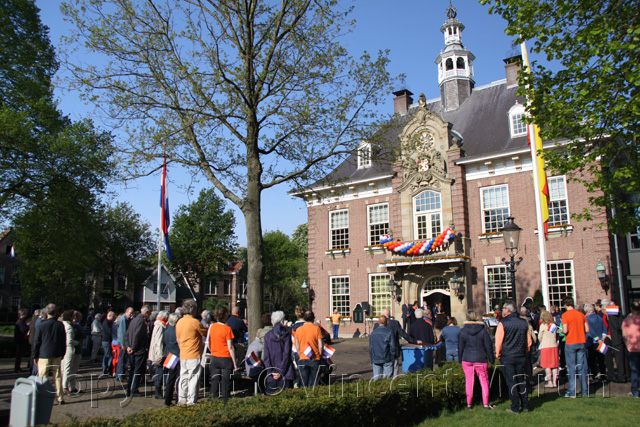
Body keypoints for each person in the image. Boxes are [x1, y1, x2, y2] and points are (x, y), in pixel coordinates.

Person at [495, 300, 532, 413]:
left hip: (508, 356)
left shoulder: (503, 323)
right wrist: (525, 351)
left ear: (508, 310)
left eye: (503, 308)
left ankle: (515, 407)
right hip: (520, 355)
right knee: (521, 380)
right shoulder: (523, 322)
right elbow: (529, 341)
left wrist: (498, 354)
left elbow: (499, 341)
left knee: (511, 382)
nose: (502, 310)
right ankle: (525, 405)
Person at [458, 310, 494, 410]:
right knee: (484, 381)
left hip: (467, 358)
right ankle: (486, 404)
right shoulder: (483, 330)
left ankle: (469, 404)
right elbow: (488, 346)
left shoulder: (463, 331)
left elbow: (460, 346)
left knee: (469, 381)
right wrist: (491, 358)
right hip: (480, 358)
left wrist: (460, 359)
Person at [33, 304, 67, 405]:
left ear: (46, 313)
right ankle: (60, 397)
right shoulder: (60, 325)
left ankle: (43, 397)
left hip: (44, 354)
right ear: (56, 312)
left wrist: (34, 355)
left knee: (43, 377)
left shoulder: (41, 325)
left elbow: (37, 341)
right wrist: (62, 353)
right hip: (56, 353)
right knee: (57, 376)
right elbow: (63, 340)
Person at [175, 299, 206, 405]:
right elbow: (205, 333)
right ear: (193, 310)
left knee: (183, 377)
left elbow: (178, 339)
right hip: (194, 354)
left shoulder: (179, 322)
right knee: (193, 378)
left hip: (183, 353)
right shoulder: (195, 322)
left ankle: (181, 399)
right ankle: (191, 400)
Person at [561, 296, 590, 398]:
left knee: (571, 368)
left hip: (570, 342)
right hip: (581, 341)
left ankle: (572, 391)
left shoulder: (565, 315)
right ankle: (584, 390)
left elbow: (565, 330)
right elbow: (587, 330)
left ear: (565, 304)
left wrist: (561, 331)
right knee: (581, 367)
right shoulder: (581, 315)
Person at [207, 306, 237, 403]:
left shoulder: (212, 327)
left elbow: (208, 343)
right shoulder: (227, 329)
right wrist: (234, 362)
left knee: (214, 380)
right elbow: (230, 347)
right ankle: (225, 399)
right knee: (225, 381)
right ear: (224, 315)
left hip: (214, 357)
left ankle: (213, 399)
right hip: (225, 358)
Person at [263, 310, 295, 394]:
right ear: (282, 320)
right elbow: (286, 354)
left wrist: (271, 372)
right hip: (286, 372)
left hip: (272, 373)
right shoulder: (287, 334)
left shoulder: (267, 336)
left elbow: (266, 356)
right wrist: (280, 371)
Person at [601, 298, 629, 383]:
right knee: (623, 357)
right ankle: (626, 375)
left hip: (616, 338)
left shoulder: (612, 315)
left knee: (619, 358)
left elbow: (616, 326)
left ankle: (622, 376)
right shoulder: (617, 314)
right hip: (619, 337)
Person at [125, 305, 151, 397]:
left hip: (132, 349)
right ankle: (134, 389)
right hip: (138, 350)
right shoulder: (141, 321)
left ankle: (130, 389)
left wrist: (128, 346)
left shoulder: (133, 320)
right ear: (146, 312)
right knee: (137, 370)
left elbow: (127, 334)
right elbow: (137, 335)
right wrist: (133, 347)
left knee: (132, 370)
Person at [294, 311, 324, 387]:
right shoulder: (317, 329)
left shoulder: (298, 330)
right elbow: (320, 346)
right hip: (314, 358)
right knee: (314, 383)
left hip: (303, 358)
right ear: (313, 318)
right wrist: (319, 355)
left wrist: (300, 354)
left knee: (303, 383)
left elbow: (297, 346)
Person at [369, 315, 398, 379]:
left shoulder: (373, 333)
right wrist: (393, 357)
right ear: (387, 322)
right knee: (388, 380)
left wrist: (372, 359)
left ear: (378, 322)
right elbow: (392, 347)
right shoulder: (389, 332)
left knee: (377, 380)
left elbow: (371, 348)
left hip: (376, 359)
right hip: (387, 359)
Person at [585, 303, 607, 382]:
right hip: (601, 342)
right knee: (601, 360)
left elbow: (590, 330)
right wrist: (602, 338)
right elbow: (605, 329)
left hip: (592, 342)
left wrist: (597, 338)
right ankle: (603, 376)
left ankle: (594, 377)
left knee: (592, 360)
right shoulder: (599, 317)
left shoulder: (586, 318)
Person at [148, 310, 168, 399]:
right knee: (159, 371)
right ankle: (158, 391)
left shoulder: (158, 325)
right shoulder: (160, 326)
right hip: (158, 353)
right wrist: (160, 354)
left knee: (159, 371)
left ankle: (158, 390)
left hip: (156, 352)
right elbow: (159, 341)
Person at [622, 302, 640, 397]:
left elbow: (624, 335)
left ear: (631, 309)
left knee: (634, 370)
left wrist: (627, 345)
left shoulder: (626, 321)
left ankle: (635, 390)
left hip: (633, 348)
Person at [538, 310, 560, 388]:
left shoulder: (543, 325)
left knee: (547, 365)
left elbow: (540, 336)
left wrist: (541, 341)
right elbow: (555, 335)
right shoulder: (553, 325)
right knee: (554, 365)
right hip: (554, 346)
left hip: (546, 346)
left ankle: (550, 381)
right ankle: (555, 382)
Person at [163, 312, 181, 407]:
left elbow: (164, 342)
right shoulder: (177, 331)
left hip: (170, 355)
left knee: (170, 378)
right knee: (178, 378)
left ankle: (167, 399)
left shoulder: (166, 331)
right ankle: (178, 399)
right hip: (178, 355)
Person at [61, 310, 78, 394]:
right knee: (67, 368)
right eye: (73, 316)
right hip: (69, 348)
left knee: (64, 368)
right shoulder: (68, 327)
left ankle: (64, 385)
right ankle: (64, 386)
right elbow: (69, 341)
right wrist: (77, 342)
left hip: (63, 348)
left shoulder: (62, 324)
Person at [116, 307, 133, 381]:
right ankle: (120, 375)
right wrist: (123, 344)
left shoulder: (126, 319)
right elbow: (122, 332)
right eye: (130, 313)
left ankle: (119, 375)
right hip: (123, 343)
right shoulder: (123, 319)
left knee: (123, 359)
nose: (131, 315)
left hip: (124, 342)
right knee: (122, 359)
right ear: (126, 312)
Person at [14, 308, 29, 373]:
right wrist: (28, 327)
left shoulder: (20, 321)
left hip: (20, 340)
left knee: (19, 354)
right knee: (19, 354)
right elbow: (23, 330)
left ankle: (18, 367)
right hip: (20, 340)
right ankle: (17, 368)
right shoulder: (20, 321)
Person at [101, 311, 115, 375]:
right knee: (108, 355)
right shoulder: (106, 323)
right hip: (106, 340)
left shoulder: (108, 322)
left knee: (107, 354)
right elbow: (109, 331)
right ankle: (107, 368)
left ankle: (106, 368)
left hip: (107, 340)